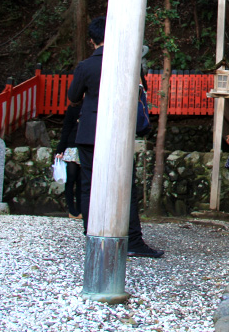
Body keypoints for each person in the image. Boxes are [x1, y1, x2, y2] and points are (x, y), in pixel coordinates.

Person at [68, 16, 163, 258]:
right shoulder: (126, 64)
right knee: (125, 186)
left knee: (89, 185)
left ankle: (93, 235)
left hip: (89, 131)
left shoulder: (85, 66)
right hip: (119, 130)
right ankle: (132, 240)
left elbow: (73, 96)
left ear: (92, 40)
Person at [54, 102, 83, 219]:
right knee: (72, 179)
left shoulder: (89, 105)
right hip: (73, 145)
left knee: (80, 180)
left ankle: (79, 210)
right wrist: (60, 149)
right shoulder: (74, 108)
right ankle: (73, 210)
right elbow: (66, 128)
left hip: (80, 145)